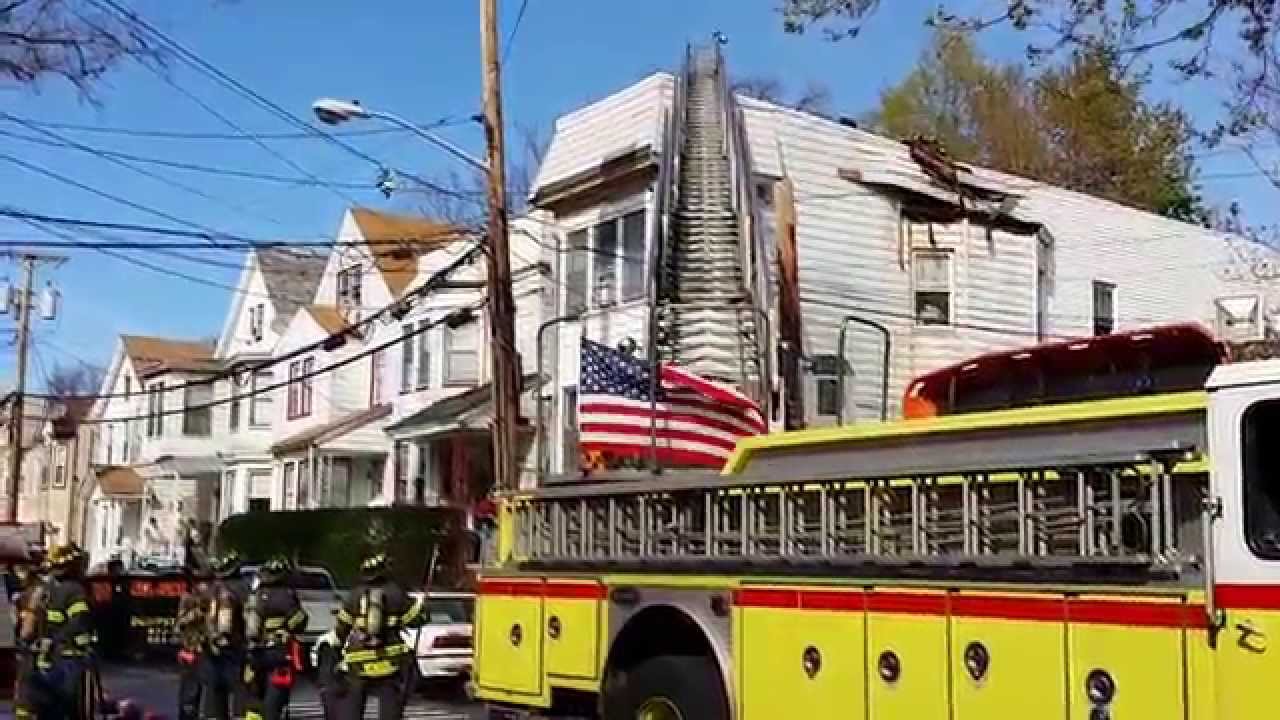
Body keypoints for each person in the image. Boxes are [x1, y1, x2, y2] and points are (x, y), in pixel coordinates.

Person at [335, 552, 427, 720]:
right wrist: (422, 608)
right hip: (389, 662)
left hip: (358, 662)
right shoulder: (396, 593)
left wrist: (339, 650)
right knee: (390, 703)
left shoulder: (353, 595)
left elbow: (341, 628)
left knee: (353, 705)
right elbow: (416, 621)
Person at [32, 543, 96, 720]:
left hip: (47, 656)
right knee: (70, 706)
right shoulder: (75, 590)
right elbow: (78, 623)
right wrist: (85, 647)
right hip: (69, 657)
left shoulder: (47, 589)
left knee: (48, 706)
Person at [242, 556, 307, 720]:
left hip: (255, 653)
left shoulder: (255, 595)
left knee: (255, 695)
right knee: (276, 699)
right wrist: (286, 629)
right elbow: (300, 619)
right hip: (278, 653)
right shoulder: (286, 595)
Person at [199, 552, 247, 720]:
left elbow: (201, 614)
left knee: (215, 690)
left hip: (212, 647)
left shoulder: (211, 590)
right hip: (236, 646)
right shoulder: (244, 589)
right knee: (239, 688)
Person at [12, 551, 47, 720]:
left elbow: (28, 627)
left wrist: (22, 638)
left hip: (32, 647)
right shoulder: (42, 589)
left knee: (27, 685)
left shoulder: (34, 592)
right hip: (41, 647)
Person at [175, 564, 213, 720]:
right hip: (192, 650)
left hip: (209, 650)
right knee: (190, 692)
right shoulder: (188, 598)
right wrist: (198, 612)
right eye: (201, 581)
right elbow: (180, 624)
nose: (205, 586)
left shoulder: (215, 598)